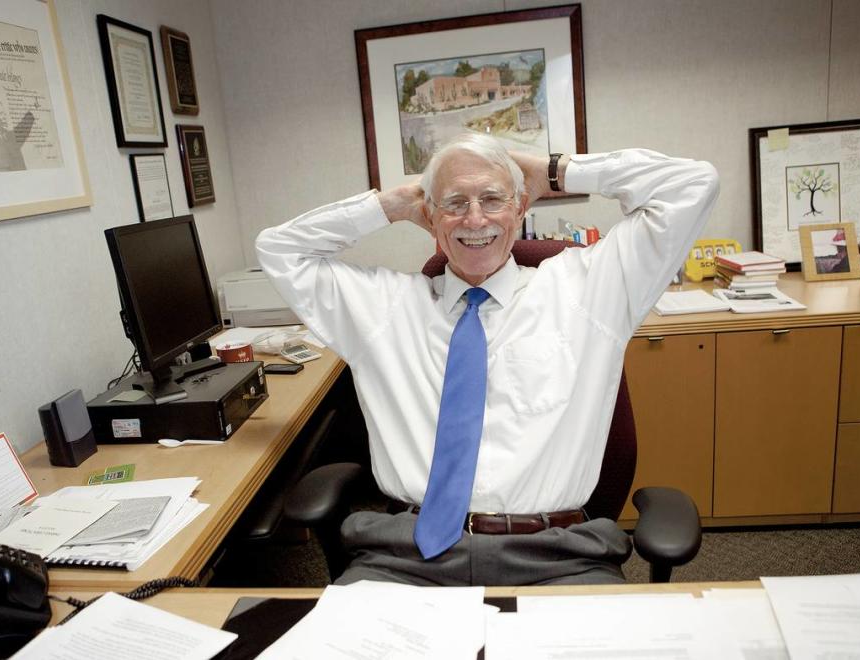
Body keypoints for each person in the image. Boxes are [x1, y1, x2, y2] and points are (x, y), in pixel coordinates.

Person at [256, 133, 718, 586]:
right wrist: (390, 205)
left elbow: (693, 184)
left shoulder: (589, 289)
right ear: (430, 217)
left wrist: (553, 171)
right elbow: (279, 250)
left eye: (493, 199)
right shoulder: (382, 307)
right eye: (454, 203)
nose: (475, 220)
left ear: (520, 209)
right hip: (405, 557)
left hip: (558, 556)